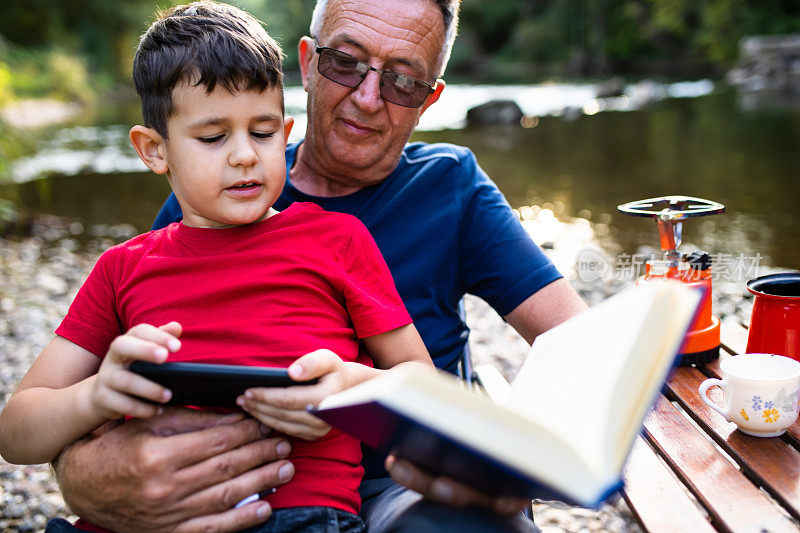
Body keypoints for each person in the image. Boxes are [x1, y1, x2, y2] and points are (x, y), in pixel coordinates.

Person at [50, 0, 588, 532]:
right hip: (229, 482)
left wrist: (511, 454)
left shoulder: (451, 186)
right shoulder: (206, 197)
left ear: (430, 99)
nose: (369, 97)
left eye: (403, 82)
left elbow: (580, 343)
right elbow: (101, 390)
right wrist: (85, 476)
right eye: (346, 63)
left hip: (403, 481)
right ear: (307, 63)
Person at [0, 2, 435, 532]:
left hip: (301, 517)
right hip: (149, 518)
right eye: (213, 137)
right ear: (154, 150)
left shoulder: (337, 241)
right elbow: (16, 432)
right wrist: (94, 396)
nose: (245, 155)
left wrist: (353, 388)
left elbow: (421, 379)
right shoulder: (121, 269)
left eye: (263, 131)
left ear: (286, 130)